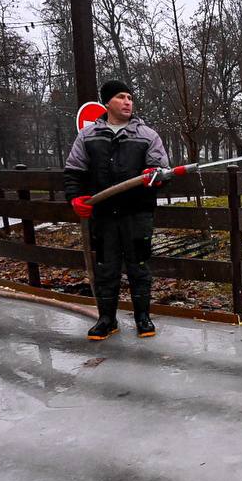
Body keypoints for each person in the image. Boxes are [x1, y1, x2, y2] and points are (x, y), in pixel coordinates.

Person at [64, 80, 170, 341]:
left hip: (137, 214)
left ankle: (142, 317)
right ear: (107, 102)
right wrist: (75, 198)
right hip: (104, 215)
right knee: (106, 268)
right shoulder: (89, 136)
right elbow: (74, 171)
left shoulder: (147, 135)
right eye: (121, 97)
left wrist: (154, 175)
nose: (127, 102)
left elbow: (162, 170)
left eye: (130, 98)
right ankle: (106, 319)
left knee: (139, 266)